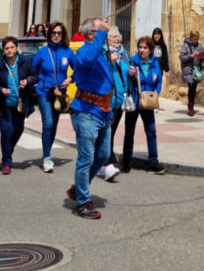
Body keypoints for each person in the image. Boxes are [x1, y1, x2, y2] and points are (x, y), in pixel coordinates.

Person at [66, 18, 113, 220]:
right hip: (86, 112)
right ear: (90, 33)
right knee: (86, 158)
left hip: (103, 111)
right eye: (98, 30)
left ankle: (79, 188)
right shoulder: (84, 51)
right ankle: (83, 202)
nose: (103, 33)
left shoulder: (101, 52)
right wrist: (102, 33)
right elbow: (87, 61)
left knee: (103, 155)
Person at [0, 36, 35, 175]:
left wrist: (27, 81)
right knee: (6, 131)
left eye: (12, 47)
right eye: (7, 48)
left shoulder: (25, 61)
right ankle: (6, 162)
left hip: (20, 104)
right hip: (3, 105)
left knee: (18, 130)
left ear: (16, 47)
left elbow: (35, 76)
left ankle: (8, 151)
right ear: (3, 50)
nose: (9, 50)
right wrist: (0, 90)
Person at [31, 21, 73, 173]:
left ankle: (46, 151)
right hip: (44, 93)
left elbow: (78, 69)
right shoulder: (43, 51)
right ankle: (47, 158)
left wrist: (70, 78)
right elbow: (32, 69)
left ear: (63, 35)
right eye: (54, 33)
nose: (56, 35)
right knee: (48, 123)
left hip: (59, 95)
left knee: (54, 125)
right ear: (49, 34)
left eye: (59, 33)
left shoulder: (67, 51)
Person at [122, 36, 165, 173]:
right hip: (134, 102)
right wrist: (130, 75)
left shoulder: (155, 63)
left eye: (145, 47)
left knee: (151, 132)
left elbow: (158, 80)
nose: (142, 50)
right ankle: (126, 163)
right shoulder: (133, 61)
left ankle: (153, 162)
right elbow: (125, 79)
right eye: (140, 47)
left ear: (150, 49)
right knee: (129, 132)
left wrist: (156, 93)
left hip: (148, 102)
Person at [101, 29, 129, 181]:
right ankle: (109, 163)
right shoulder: (103, 53)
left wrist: (131, 72)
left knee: (111, 132)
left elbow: (127, 72)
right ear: (108, 39)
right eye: (114, 36)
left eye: (119, 36)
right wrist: (109, 61)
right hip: (107, 100)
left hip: (120, 100)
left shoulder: (125, 54)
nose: (117, 39)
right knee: (107, 132)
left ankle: (101, 163)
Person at [179, 30, 204, 116]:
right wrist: (191, 56)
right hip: (188, 70)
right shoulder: (185, 46)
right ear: (191, 38)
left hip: (197, 70)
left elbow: (202, 57)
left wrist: (202, 57)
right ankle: (191, 107)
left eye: (197, 39)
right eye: (194, 39)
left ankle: (191, 104)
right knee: (191, 87)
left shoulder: (199, 45)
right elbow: (181, 57)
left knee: (194, 89)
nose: (196, 41)